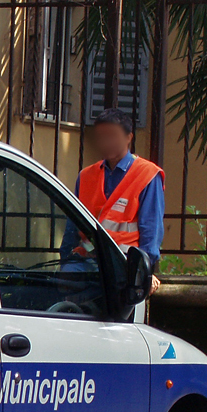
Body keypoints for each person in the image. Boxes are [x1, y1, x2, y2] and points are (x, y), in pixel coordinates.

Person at [61, 108, 165, 295]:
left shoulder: (147, 175)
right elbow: (72, 225)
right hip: (86, 264)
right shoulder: (86, 176)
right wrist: (65, 260)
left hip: (123, 265)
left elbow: (151, 228)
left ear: (128, 138)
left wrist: (145, 271)